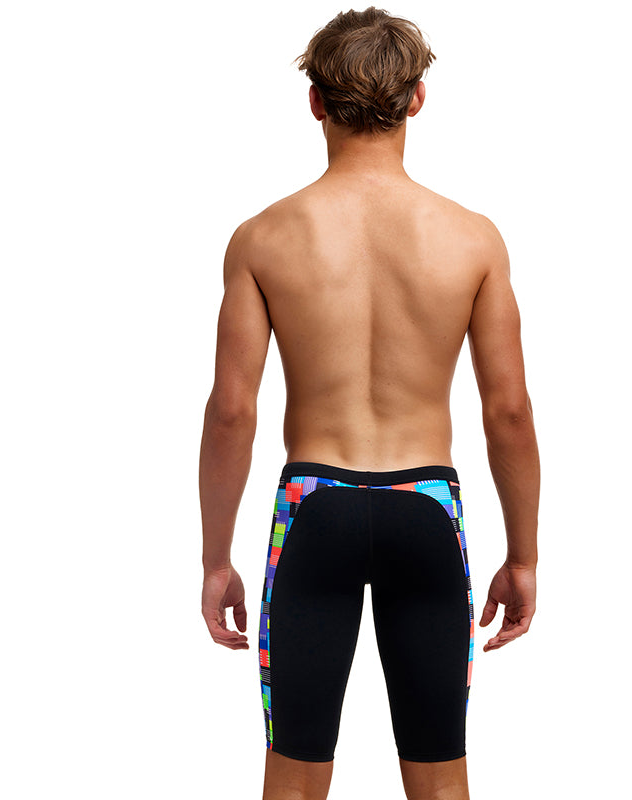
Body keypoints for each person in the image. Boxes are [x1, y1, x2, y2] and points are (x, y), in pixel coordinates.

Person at [198, 7, 540, 800]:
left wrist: (216, 560)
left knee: (292, 780)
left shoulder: (263, 238)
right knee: (441, 780)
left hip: (312, 510)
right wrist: (523, 557)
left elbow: (232, 411)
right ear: (417, 98)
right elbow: (509, 412)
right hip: (427, 508)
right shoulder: (473, 238)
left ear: (314, 101)